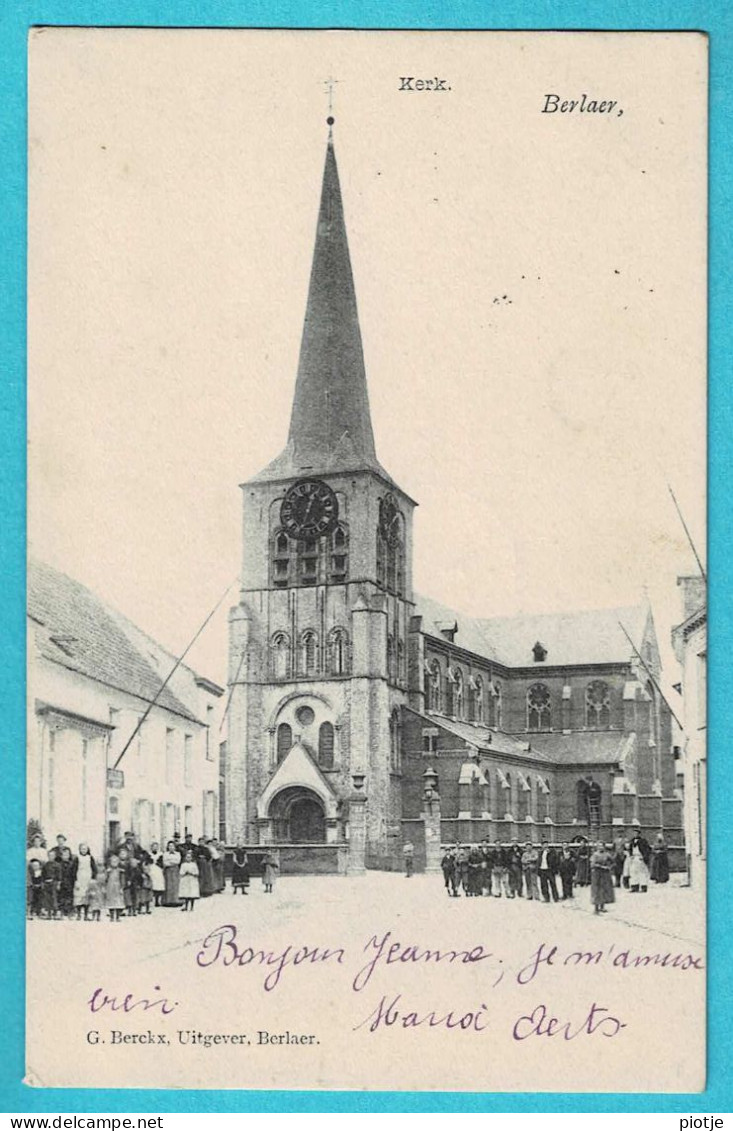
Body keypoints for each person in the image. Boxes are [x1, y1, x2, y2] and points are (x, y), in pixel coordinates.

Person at [72, 842, 97, 921]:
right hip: (80, 877)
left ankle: (86, 915)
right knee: (79, 896)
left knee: (87, 896)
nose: (84, 850)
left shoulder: (90, 858)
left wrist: (93, 878)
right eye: (82, 849)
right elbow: (74, 869)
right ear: (79, 849)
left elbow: (94, 869)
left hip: (87, 878)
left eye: (85, 849)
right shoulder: (77, 858)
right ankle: (79, 914)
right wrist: (76, 880)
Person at [590, 841, 615, 914]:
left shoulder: (607, 854)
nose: (601, 847)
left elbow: (613, 862)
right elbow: (593, 864)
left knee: (604, 889)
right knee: (596, 890)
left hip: (605, 875)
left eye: (602, 846)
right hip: (597, 874)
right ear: (597, 847)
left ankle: (602, 906)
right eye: (599, 846)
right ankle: (596, 908)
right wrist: (602, 867)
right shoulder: (595, 855)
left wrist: (609, 867)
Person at [105, 853, 126, 921]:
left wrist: (122, 887)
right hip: (110, 887)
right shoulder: (108, 871)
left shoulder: (120, 871)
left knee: (118, 902)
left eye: (116, 861)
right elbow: (106, 879)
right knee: (111, 902)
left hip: (118, 887)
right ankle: (111, 916)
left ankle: (117, 917)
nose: (114, 863)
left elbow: (122, 880)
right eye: (113, 862)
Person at [57, 845, 76, 917]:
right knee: (61, 897)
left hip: (70, 883)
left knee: (70, 897)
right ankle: (62, 911)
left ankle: (69, 911)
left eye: (67, 854)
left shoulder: (72, 864)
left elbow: (74, 874)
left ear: (69, 855)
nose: (65, 856)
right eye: (63, 854)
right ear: (61, 856)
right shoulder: (59, 864)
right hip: (62, 882)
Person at [162, 840, 182, 907]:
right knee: (168, 885)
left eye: (172, 846)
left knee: (175, 885)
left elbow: (178, 861)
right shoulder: (165, 854)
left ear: (175, 847)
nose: (171, 847)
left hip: (175, 870)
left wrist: (170, 861)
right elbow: (165, 862)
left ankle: (176, 900)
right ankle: (168, 901)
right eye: (169, 846)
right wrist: (172, 862)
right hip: (168, 870)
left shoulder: (178, 853)